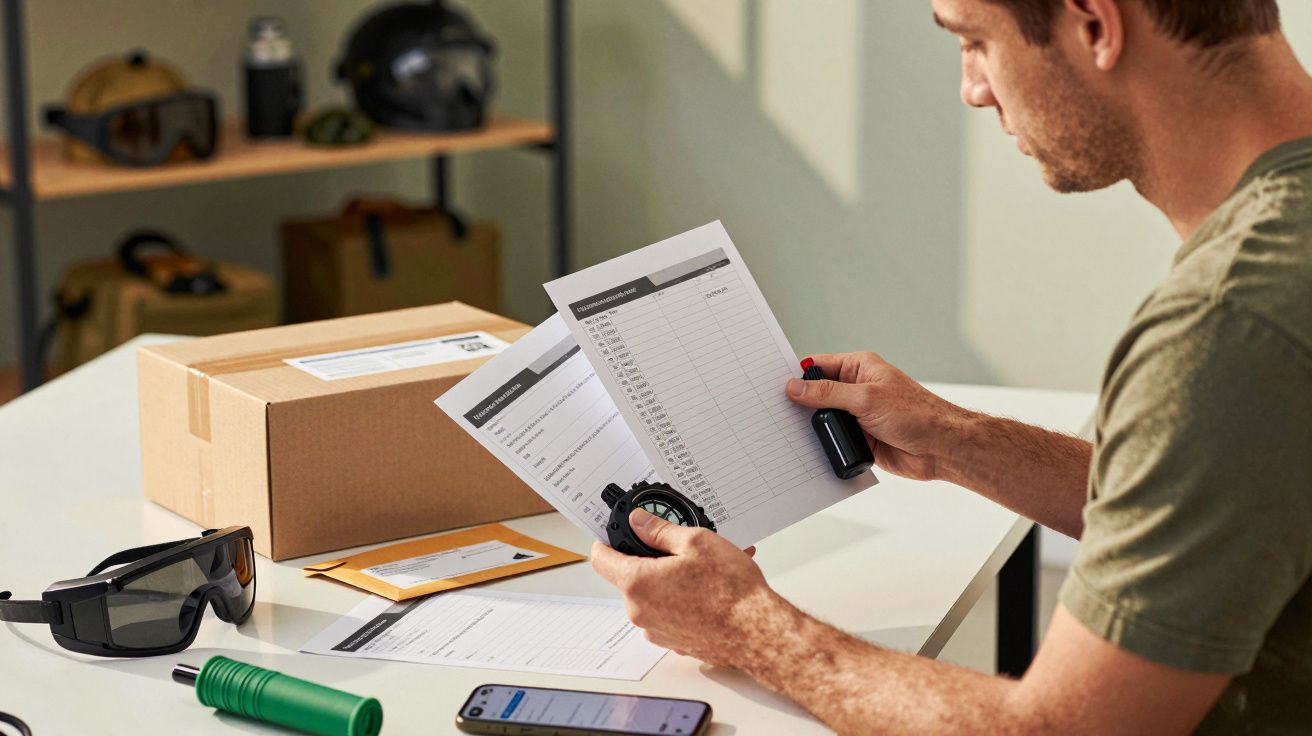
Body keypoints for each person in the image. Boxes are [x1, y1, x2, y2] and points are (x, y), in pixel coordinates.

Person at [590, 0, 1312, 732]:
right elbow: (1232, 491)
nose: (972, 87)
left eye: (975, 41)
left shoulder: (1231, 321)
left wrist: (744, 624)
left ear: (1095, 25)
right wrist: (951, 438)